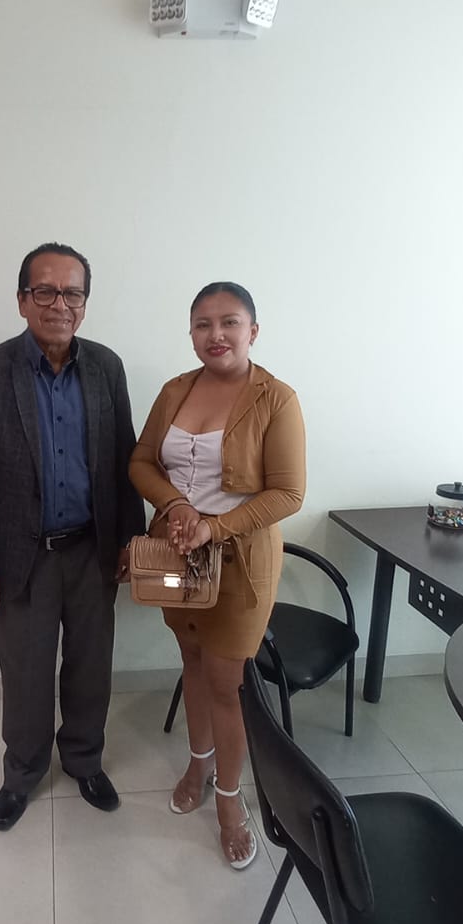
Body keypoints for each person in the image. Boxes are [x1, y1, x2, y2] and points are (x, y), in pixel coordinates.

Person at [0, 243, 145, 831]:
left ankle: (85, 760)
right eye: (45, 291)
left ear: (85, 303)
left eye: (73, 293)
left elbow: (125, 458)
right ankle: (23, 773)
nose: (60, 304)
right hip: (20, 558)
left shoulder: (106, 367)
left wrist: (131, 540)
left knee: (90, 667)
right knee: (26, 675)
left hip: (92, 550)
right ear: (22, 300)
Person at [129, 282, 305, 868]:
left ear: (253, 331)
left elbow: (289, 492)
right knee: (192, 662)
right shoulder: (175, 390)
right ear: (191, 333)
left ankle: (231, 801)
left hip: (242, 565)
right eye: (203, 324)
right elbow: (141, 461)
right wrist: (178, 507)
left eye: (230, 322)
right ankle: (198, 765)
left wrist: (216, 527)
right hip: (177, 556)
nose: (216, 335)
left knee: (227, 684)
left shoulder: (276, 398)